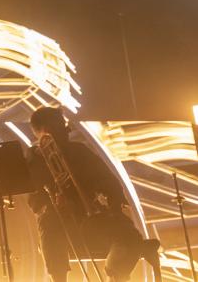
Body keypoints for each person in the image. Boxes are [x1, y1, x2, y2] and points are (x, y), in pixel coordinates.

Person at [26, 106, 150, 282]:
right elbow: (34, 200)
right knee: (48, 224)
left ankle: (115, 273)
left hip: (94, 219)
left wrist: (113, 205)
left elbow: (110, 182)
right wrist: (54, 203)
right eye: (60, 126)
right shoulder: (33, 160)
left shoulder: (80, 151)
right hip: (63, 223)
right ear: (45, 130)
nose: (67, 130)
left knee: (130, 235)